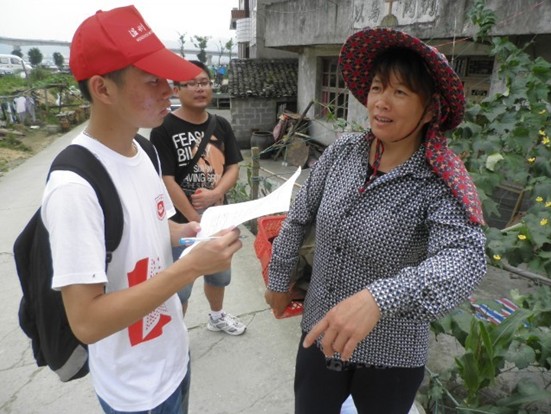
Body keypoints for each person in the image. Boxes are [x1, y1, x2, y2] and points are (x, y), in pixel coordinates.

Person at [265, 27, 487, 414]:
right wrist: (279, 277)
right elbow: (300, 214)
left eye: (400, 92)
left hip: (392, 356)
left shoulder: (439, 180)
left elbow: (465, 259)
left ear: (431, 108)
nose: (382, 102)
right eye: (378, 88)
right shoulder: (345, 151)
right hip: (319, 332)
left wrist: (379, 298)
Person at [43, 6, 242, 413]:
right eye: (152, 81)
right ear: (102, 88)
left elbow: (150, 232)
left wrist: (189, 234)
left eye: (168, 78)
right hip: (135, 392)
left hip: (173, 359)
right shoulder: (74, 186)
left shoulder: (146, 151)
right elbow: (87, 321)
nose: (168, 90)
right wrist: (190, 266)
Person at [150, 60, 246, 335]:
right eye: (191, 83)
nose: (199, 88)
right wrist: (194, 219)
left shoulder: (221, 125)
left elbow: (233, 167)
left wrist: (217, 193)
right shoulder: (163, 129)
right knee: (180, 285)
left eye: (204, 82)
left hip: (218, 220)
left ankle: (216, 317)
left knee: (219, 274)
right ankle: (176, 334)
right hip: (181, 225)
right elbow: (165, 179)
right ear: (177, 89)